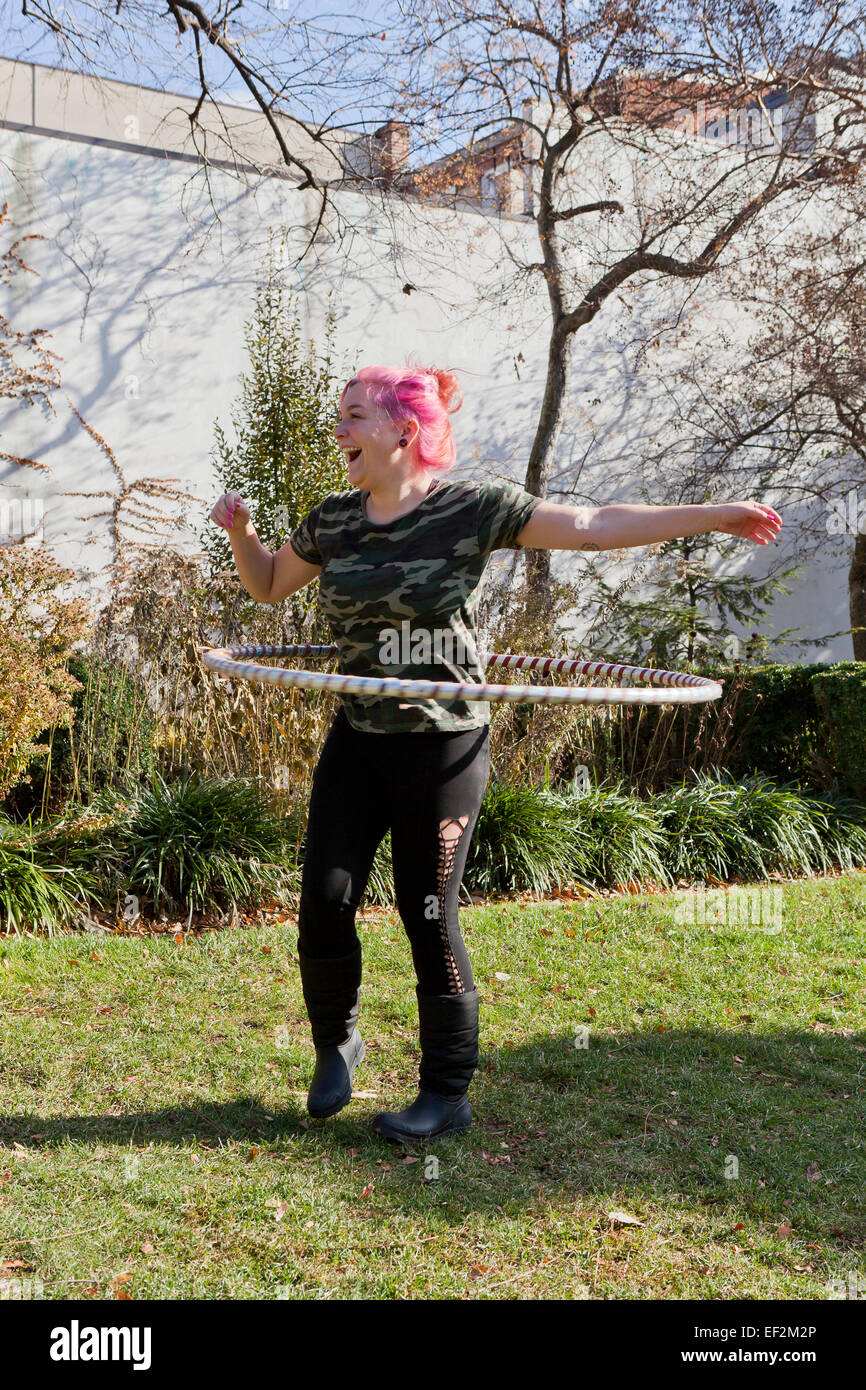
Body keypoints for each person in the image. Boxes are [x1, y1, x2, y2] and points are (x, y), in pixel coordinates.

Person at [209, 361, 782, 1143]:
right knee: (325, 896)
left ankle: (445, 1095)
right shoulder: (335, 519)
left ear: (403, 432)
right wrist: (243, 536)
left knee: (427, 910)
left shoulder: (473, 508)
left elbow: (591, 527)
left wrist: (712, 516)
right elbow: (271, 585)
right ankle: (335, 1041)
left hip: (442, 745)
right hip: (360, 738)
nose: (338, 430)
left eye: (352, 417)